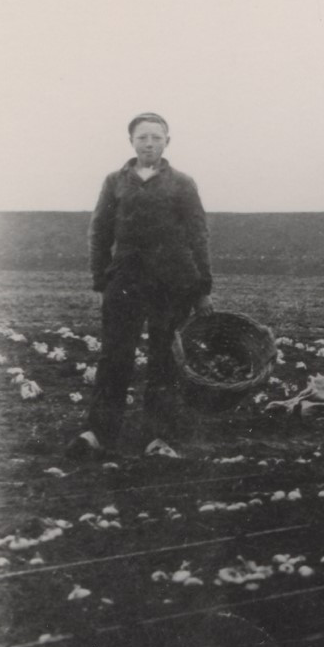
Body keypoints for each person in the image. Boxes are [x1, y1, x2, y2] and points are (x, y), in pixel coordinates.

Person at [76, 112, 212, 458]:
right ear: (131, 141)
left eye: (156, 137)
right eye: (142, 138)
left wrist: (202, 287)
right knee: (114, 357)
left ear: (167, 141)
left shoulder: (182, 183)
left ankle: (158, 438)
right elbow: (100, 231)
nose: (149, 143)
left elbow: (198, 235)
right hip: (124, 281)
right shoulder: (114, 181)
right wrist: (101, 278)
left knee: (164, 360)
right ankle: (99, 433)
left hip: (172, 284)